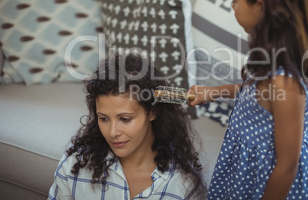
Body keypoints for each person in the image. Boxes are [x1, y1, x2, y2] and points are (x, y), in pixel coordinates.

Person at [188, 0, 308, 200]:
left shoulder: (285, 83)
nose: (232, 7)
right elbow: (254, 92)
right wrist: (212, 92)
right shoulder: (271, 54)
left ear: (260, 6)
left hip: (269, 177)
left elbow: (287, 166)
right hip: (247, 167)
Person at [48, 53, 207, 200]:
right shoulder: (74, 165)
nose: (112, 132)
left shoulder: (183, 185)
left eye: (125, 119)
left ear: (152, 112)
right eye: (103, 118)